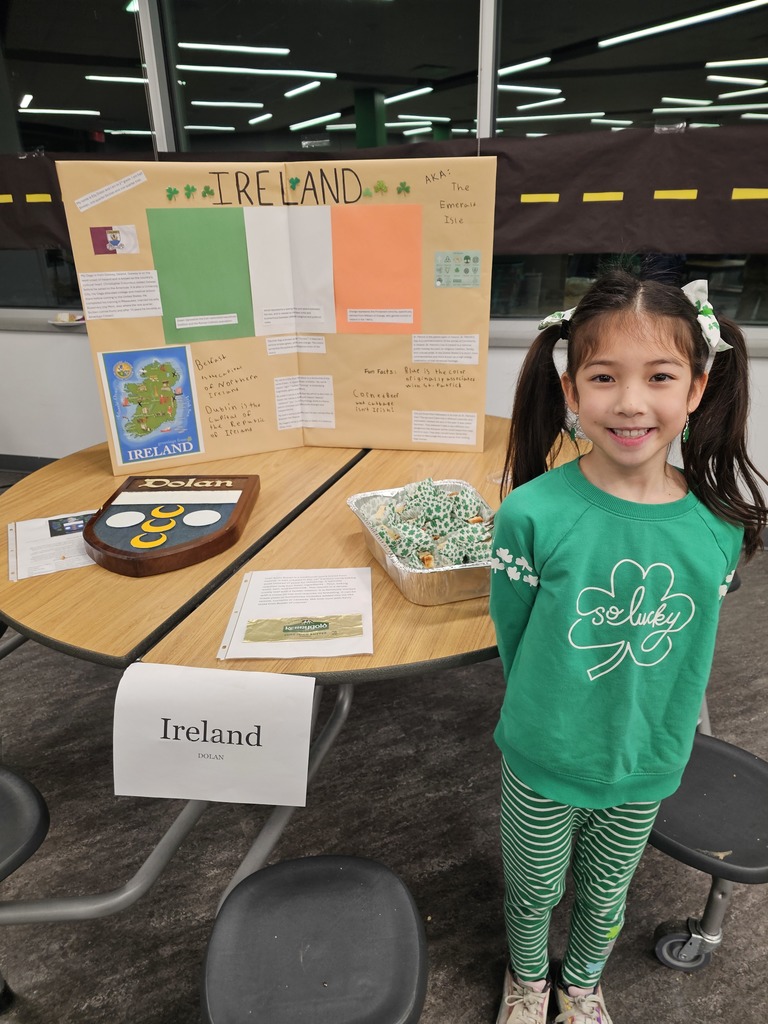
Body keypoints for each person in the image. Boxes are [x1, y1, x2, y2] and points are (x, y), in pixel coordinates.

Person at [489, 269, 768, 1024]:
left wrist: (653, 735)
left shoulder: (717, 526)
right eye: (605, 376)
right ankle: (527, 980)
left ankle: (580, 983)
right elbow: (515, 640)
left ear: (697, 388)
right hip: (544, 755)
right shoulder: (531, 514)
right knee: (535, 888)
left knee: (609, 889)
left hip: (647, 760)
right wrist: (551, 718)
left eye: (660, 376)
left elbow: (689, 658)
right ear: (572, 391)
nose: (632, 402)